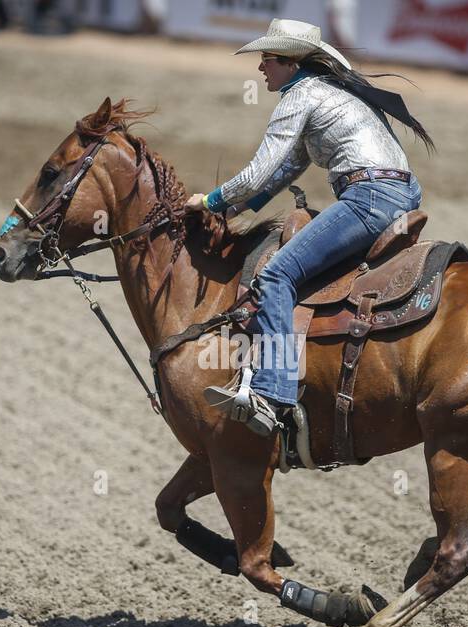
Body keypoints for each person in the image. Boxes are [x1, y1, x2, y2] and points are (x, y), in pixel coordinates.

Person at [184, 18, 435, 437]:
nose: (261, 68)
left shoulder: (300, 96)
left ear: (291, 62)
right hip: (399, 196)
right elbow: (284, 172)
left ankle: (273, 392)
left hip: (369, 198)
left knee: (278, 274)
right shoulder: (331, 91)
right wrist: (233, 212)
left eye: (267, 59)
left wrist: (209, 201)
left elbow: (255, 173)